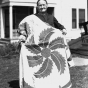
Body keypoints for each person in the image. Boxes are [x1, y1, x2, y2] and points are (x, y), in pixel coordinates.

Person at [18, 0, 73, 88]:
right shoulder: (31, 18)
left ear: (47, 6)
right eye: (40, 5)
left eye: (43, 5)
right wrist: (23, 35)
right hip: (38, 47)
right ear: (37, 7)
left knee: (52, 67)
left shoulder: (51, 17)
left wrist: (63, 29)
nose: (42, 7)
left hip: (51, 47)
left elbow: (58, 25)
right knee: (39, 67)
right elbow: (22, 26)